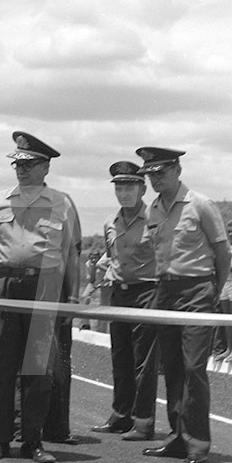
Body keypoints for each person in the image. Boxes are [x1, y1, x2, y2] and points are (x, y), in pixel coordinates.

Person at [0, 131, 81, 463]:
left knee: (38, 370)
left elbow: (70, 254)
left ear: (45, 167)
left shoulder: (62, 203)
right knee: (1, 367)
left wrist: (73, 297)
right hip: (5, 287)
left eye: (29, 165)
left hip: (45, 287)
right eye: (18, 165)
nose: (21, 170)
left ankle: (33, 441)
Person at [137, 147, 230, 463]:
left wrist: (212, 291)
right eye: (150, 175)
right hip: (166, 290)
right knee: (173, 366)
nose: (154, 179)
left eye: (160, 172)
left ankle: (198, 443)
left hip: (197, 290)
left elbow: (222, 252)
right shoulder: (153, 209)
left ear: (177, 170)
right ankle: (177, 437)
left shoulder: (200, 204)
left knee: (193, 368)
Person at [90, 161, 159, 440]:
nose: (123, 193)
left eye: (129, 187)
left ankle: (143, 422)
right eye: (119, 188)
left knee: (144, 361)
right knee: (120, 356)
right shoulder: (111, 222)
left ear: (142, 189)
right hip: (120, 293)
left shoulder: (156, 218)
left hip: (147, 292)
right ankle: (120, 417)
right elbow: (111, 257)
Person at [213, 219, 232, 363]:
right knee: (226, 317)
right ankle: (228, 348)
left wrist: (223, 264)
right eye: (228, 232)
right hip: (224, 283)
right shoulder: (228, 247)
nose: (230, 234)